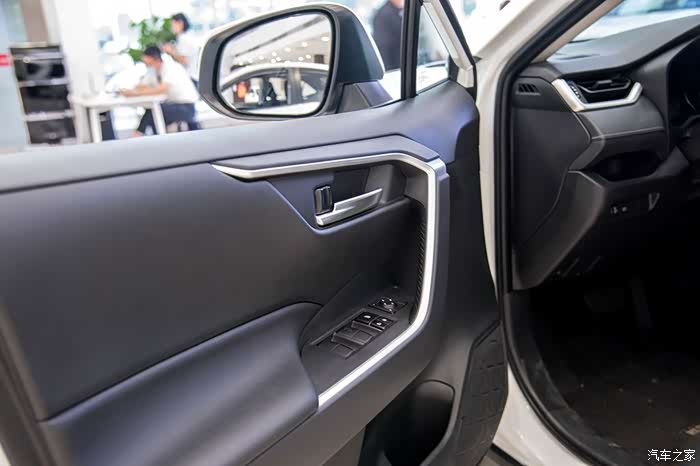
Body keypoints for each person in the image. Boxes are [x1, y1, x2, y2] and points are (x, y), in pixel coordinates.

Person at [121, 46, 200, 136]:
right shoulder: (153, 71)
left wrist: (135, 93)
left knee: (154, 111)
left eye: (148, 62)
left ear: (155, 59)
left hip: (186, 107)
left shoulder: (171, 67)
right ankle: (149, 135)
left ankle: (138, 133)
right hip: (171, 105)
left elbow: (162, 89)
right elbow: (141, 86)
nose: (146, 65)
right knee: (153, 114)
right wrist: (130, 91)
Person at [162, 13, 200, 85]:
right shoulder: (188, 35)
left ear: (180, 23)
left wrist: (171, 51)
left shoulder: (183, 38)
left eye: (173, 24)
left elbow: (184, 60)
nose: (172, 28)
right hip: (195, 75)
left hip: (191, 77)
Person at [372, 0, 404, 71]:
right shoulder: (383, 15)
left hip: (402, 63)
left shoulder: (402, 11)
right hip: (394, 67)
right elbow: (383, 47)